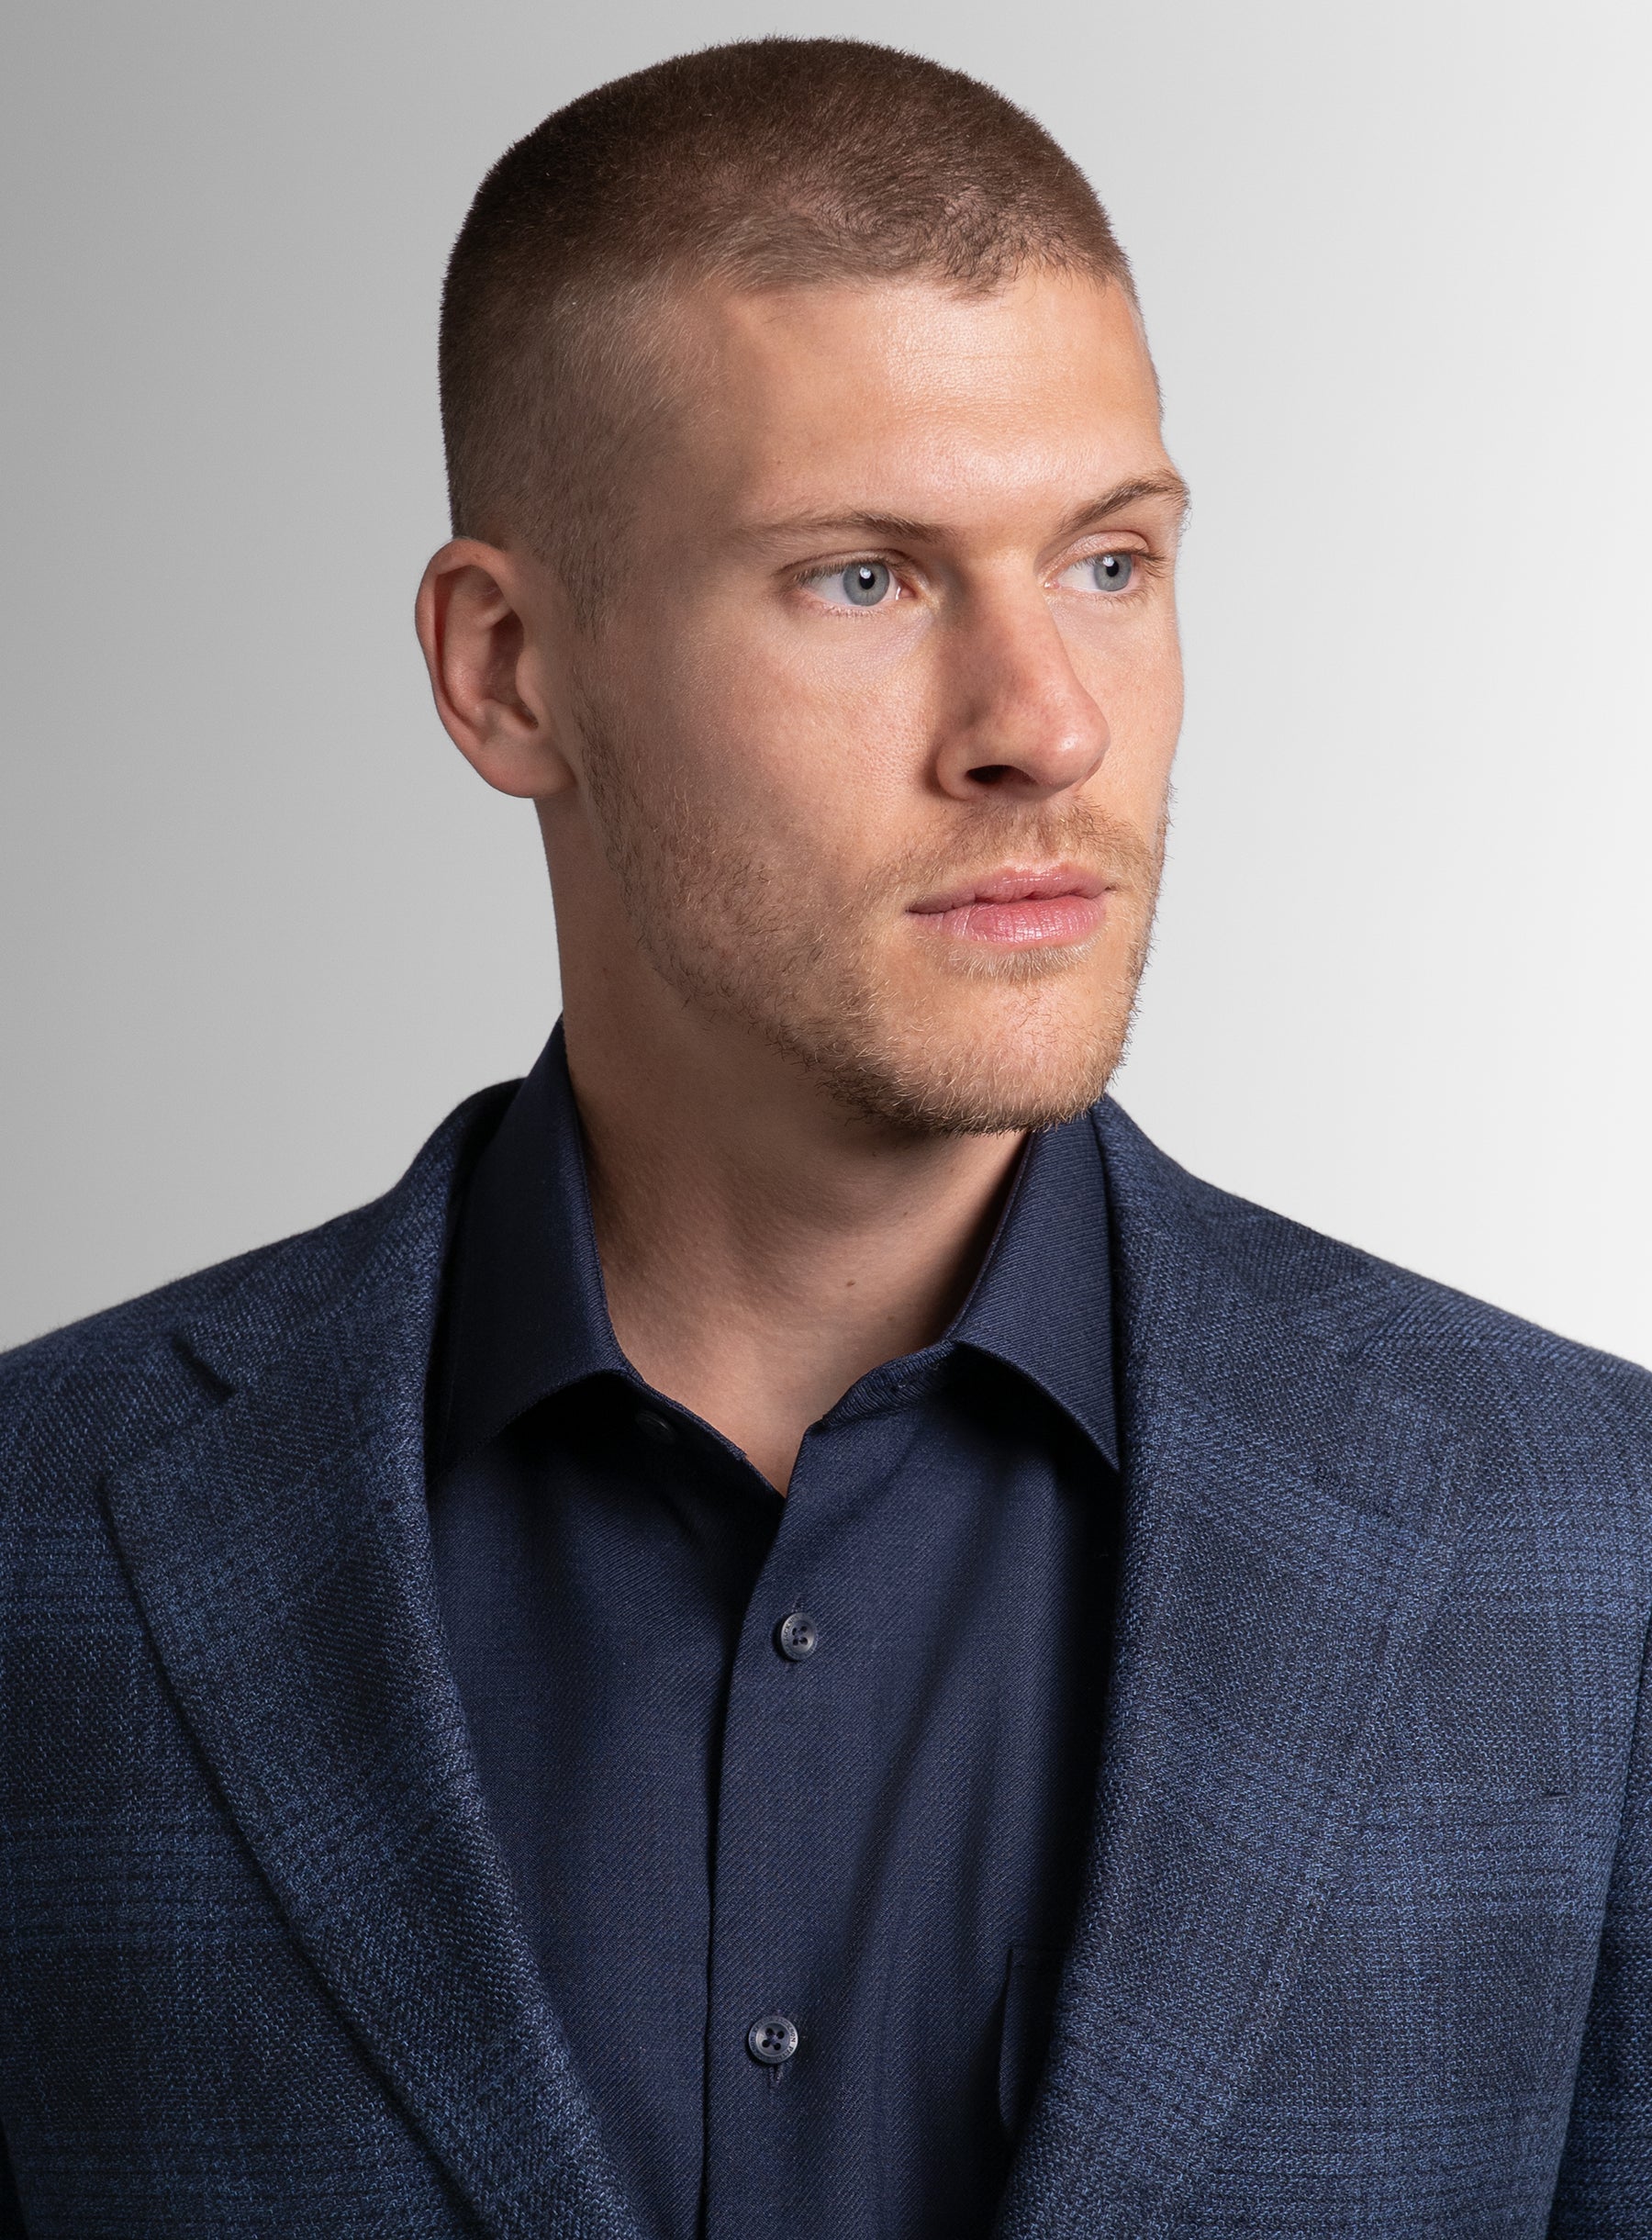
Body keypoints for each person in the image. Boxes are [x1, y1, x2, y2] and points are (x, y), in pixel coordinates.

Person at [0, 35, 1647, 2240]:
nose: (1045, 723)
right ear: (506, 671)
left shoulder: (1592, 1542)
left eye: (1112, 562)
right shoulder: (40, 1546)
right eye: (865, 577)